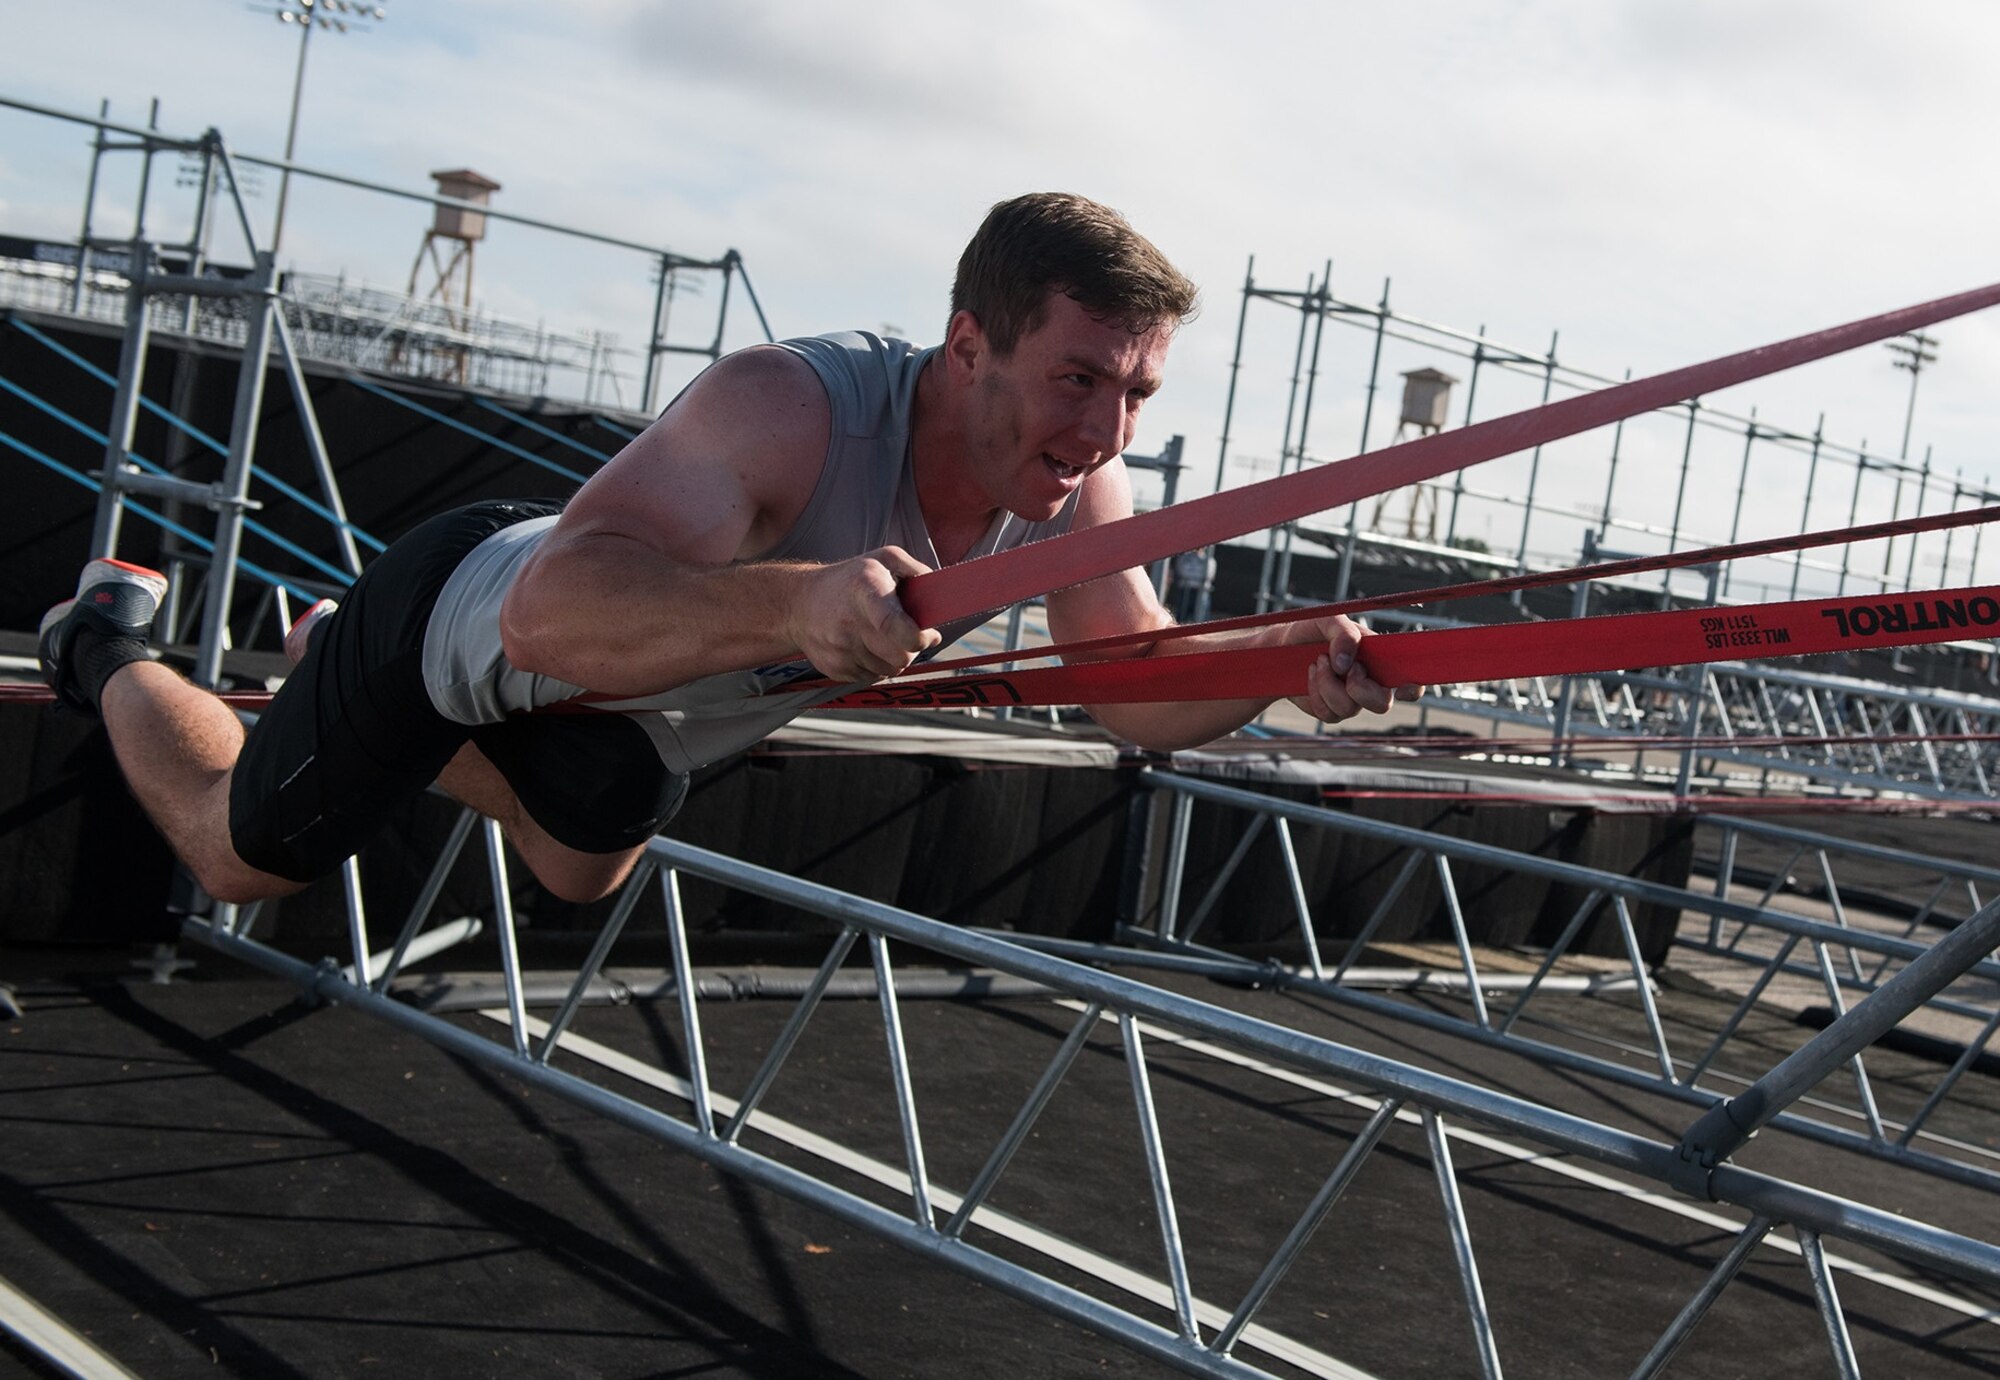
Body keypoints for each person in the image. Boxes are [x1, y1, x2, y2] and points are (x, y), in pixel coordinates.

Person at [39, 192, 1415, 910]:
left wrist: (1290, 659)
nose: (1106, 430)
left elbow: (1125, 687)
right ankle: (104, 637)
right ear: (969, 343)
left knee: (586, 856)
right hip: (459, 626)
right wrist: (801, 602)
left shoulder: (1084, 473)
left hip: (625, 736)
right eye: (1077, 382)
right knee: (234, 856)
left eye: (1137, 397)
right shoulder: (792, 407)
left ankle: (324, 654)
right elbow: (553, 615)